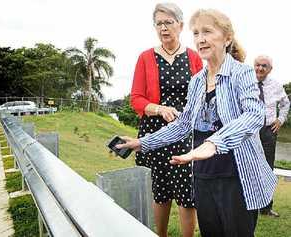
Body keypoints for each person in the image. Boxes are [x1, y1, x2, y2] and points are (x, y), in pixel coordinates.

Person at [118, 9, 277, 237]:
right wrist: (142, 143)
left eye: (207, 32)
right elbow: (183, 124)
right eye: (196, 33)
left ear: (227, 38)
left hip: (236, 177)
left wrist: (214, 143)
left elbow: (254, 115)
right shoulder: (196, 81)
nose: (200, 39)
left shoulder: (242, 73)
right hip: (203, 176)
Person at [130, 3, 202, 237]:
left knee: (186, 191)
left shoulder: (193, 57)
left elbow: (204, 91)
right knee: (160, 191)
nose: (163, 28)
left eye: (168, 22)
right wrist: (160, 109)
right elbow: (136, 99)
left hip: (184, 131)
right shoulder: (146, 57)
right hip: (154, 132)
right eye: (159, 23)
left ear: (180, 26)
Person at [254, 55, 290, 217]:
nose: (260, 68)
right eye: (258, 65)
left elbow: (285, 103)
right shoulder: (245, 81)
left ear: (270, 69)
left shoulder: (275, 85)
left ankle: (266, 208)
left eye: (264, 66)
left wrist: (280, 119)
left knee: (267, 168)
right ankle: (247, 205)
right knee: (246, 166)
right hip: (249, 131)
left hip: (268, 131)